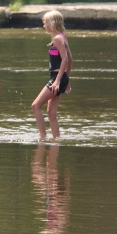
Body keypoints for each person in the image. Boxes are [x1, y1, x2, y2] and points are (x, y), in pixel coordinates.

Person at [31, 10, 73, 140]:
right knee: (51, 113)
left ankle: (42, 137)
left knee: (35, 106)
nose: (44, 26)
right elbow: (71, 58)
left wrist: (58, 81)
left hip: (56, 78)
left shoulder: (58, 39)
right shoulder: (62, 36)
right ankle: (56, 140)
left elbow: (66, 59)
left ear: (53, 23)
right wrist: (67, 80)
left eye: (45, 23)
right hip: (60, 78)